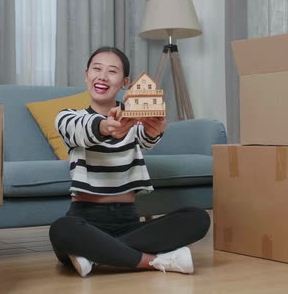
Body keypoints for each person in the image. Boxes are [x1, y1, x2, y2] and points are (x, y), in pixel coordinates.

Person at [49, 46, 210, 277]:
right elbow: (82, 130)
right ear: (86, 75)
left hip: (128, 221)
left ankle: (96, 256)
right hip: (84, 220)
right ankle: (153, 261)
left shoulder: (133, 121)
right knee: (61, 229)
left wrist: (155, 130)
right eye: (97, 69)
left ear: (124, 83)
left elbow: (147, 138)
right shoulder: (69, 117)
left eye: (112, 71)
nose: (103, 76)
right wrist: (105, 126)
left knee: (198, 218)